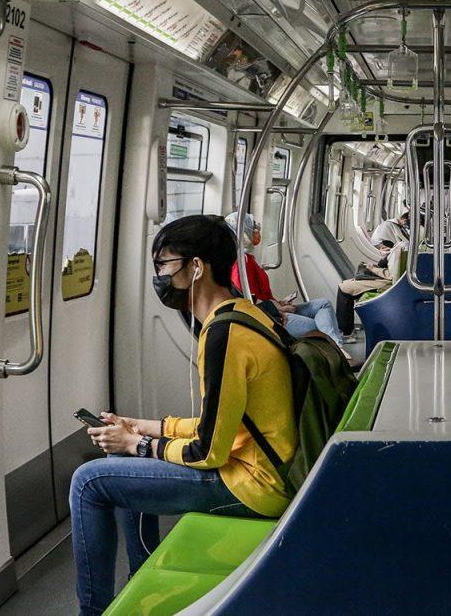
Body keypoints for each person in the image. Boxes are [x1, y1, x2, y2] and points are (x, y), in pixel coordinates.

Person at [69, 215, 296, 614]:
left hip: (253, 486)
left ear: (196, 267)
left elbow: (208, 451)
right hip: (263, 467)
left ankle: (92, 611)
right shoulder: (244, 314)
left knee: (88, 482)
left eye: (164, 265)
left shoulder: (224, 335)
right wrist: (143, 427)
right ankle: (143, 575)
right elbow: (229, 423)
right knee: (118, 457)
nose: (160, 276)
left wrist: (139, 444)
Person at [224, 212, 344, 348]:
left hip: (275, 308)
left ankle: (336, 347)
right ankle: (338, 349)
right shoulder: (240, 263)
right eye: (253, 228)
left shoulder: (249, 259)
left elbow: (262, 296)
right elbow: (248, 303)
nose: (257, 232)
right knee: (321, 327)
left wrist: (279, 303)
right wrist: (278, 309)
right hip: (269, 316)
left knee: (324, 304)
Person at [335, 240, 409, 336]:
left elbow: (391, 275)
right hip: (387, 279)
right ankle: (346, 330)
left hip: (387, 283)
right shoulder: (403, 245)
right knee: (346, 284)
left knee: (344, 288)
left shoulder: (400, 248)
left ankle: (346, 332)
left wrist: (373, 268)